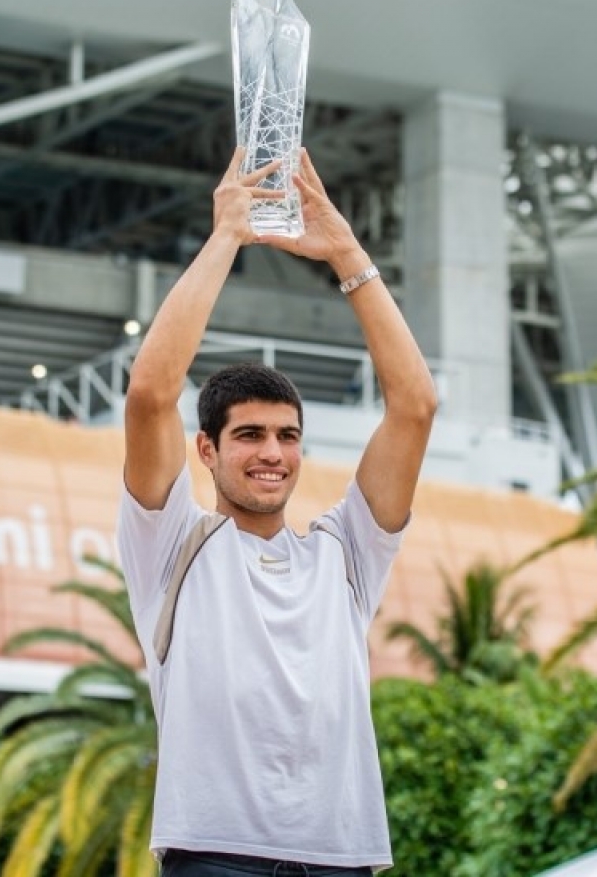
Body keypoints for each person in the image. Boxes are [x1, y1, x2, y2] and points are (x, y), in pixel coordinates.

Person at [118, 147, 437, 876]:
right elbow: (149, 396)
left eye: (288, 436)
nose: (273, 453)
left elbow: (414, 406)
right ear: (207, 448)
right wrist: (227, 233)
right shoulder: (171, 546)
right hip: (215, 855)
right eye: (251, 435)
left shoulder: (345, 553)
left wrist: (346, 252)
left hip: (341, 856)